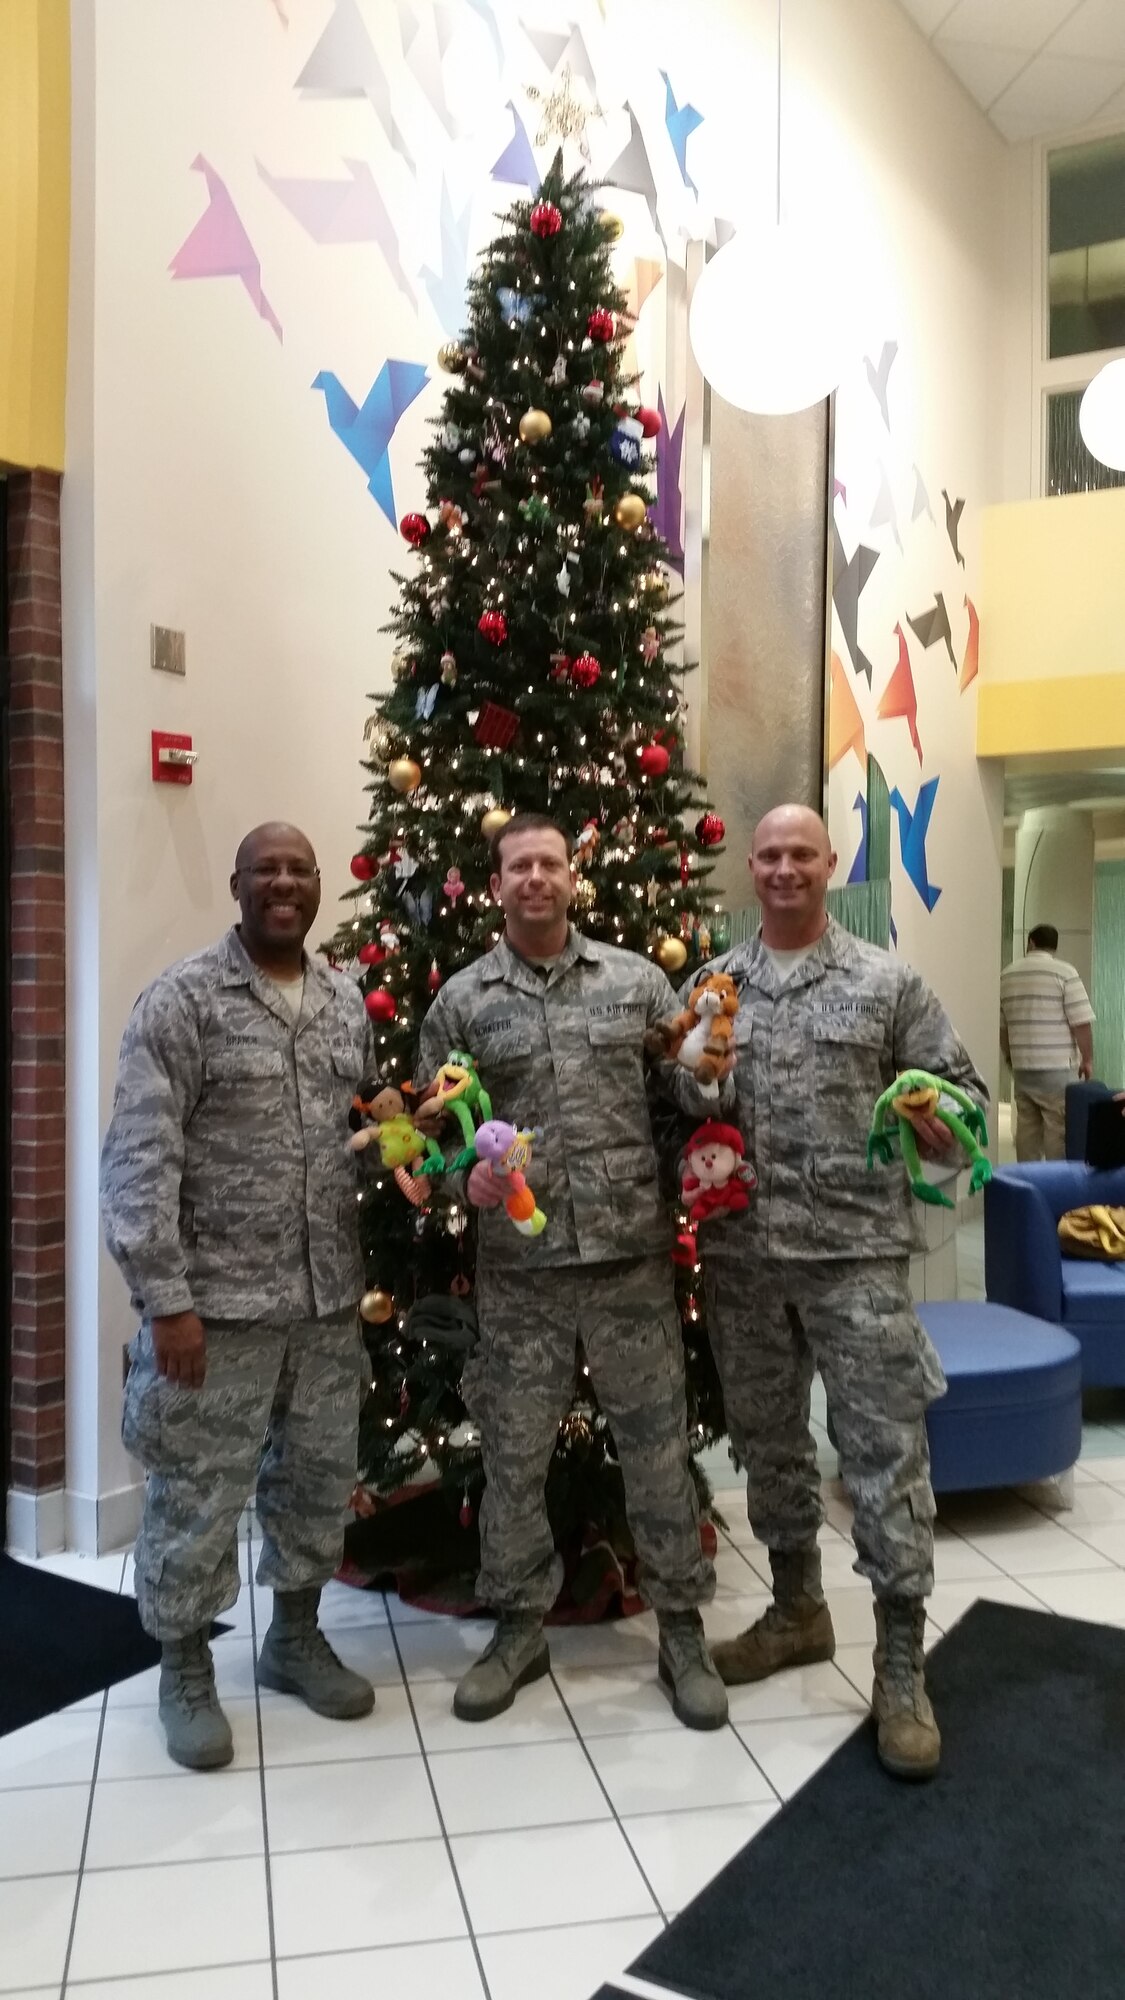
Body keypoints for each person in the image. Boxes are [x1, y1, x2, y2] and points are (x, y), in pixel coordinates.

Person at [682, 804, 987, 1780]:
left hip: (856, 1257)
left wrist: (941, 1118)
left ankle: (901, 1660)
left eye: (800, 853)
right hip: (743, 1260)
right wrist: (689, 1088)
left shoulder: (884, 979)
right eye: (767, 854)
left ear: (827, 865)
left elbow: (961, 1091)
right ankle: (797, 1608)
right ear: (751, 865)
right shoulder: (712, 986)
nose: (782, 868)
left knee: (885, 1452)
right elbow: (675, 1102)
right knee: (771, 1446)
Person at [414, 812, 725, 1730]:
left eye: (550, 862)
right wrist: (455, 1179)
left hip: (629, 1263)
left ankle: (679, 1628)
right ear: (497, 882)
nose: (536, 878)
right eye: (519, 866)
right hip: (521, 1274)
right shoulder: (461, 1003)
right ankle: (518, 1625)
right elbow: (428, 1144)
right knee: (511, 1457)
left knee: (656, 1452)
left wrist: (712, 1057)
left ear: (571, 876)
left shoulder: (637, 983)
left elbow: (688, 1097)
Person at [101, 822, 375, 1771]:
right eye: (267, 871)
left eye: (299, 871)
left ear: (318, 886)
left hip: (326, 1300)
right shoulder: (183, 1002)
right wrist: (164, 1299)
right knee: (198, 1494)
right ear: (237, 885)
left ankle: (293, 1635)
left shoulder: (345, 1005)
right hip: (213, 1312)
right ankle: (184, 1668)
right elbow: (139, 1158)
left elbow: (360, 1133)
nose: (284, 885)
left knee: (313, 1483)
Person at [999, 923, 1094, 1161]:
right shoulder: (1064, 973)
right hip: (1057, 1069)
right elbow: (1081, 1021)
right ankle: (1055, 1187)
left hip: (1023, 1068)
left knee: (1027, 1130)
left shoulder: (1007, 974)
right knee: (1057, 1129)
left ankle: (1027, 1181)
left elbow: (1002, 1026)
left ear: (1030, 942)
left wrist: (1010, 1056)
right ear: (1054, 947)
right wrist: (1088, 1059)